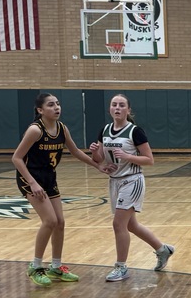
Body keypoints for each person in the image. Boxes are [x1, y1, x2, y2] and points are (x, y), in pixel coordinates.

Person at [12, 92, 106, 286]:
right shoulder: (35, 130)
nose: (56, 108)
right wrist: (32, 183)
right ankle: (35, 266)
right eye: (50, 105)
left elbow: (75, 151)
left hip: (48, 177)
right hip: (30, 178)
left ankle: (56, 266)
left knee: (61, 222)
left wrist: (97, 165)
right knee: (50, 221)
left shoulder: (62, 128)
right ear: (40, 110)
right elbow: (16, 158)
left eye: (58, 104)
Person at [89, 94, 175, 282]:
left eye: (121, 105)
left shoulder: (135, 131)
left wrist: (128, 156)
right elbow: (98, 160)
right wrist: (95, 151)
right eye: (114, 105)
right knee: (130, 224)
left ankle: (121, 267)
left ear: (128, 110)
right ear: (110, 109)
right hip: (114, 181)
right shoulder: (104, 130)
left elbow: (149, 160)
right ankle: (163, 249)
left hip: (132, 180)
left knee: (118, 224)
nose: (117, 108)